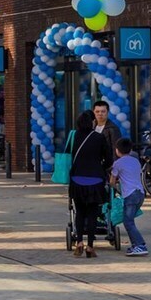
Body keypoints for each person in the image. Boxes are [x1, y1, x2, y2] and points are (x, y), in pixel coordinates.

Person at [68, 110, 111, 258]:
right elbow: (109, 159)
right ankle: (90, 247)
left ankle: (79, 242)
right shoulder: (99, 138)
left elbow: (69, 155)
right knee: (92, 213)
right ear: (92, 122)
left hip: (77, 179)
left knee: (80, 212)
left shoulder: (74, 136)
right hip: (95, 179)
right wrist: (101, 167)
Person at [111, 137, 148, 256]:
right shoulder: (135, 161)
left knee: (128, 222)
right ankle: (135, 245)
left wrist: (116, 187)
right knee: (130, 221)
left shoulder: (117, 163)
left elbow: (112, 181)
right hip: (140, 194)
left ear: (117, 150)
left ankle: (140, 245)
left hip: (130, 195)